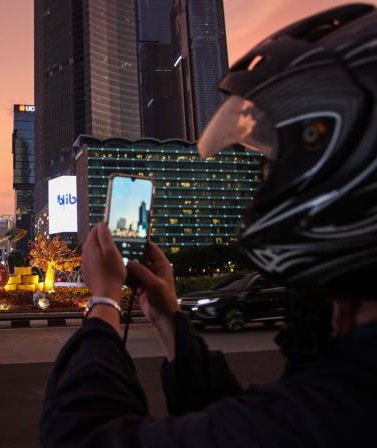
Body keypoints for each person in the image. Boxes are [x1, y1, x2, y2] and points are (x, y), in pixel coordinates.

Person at [40, 4, 377, 447]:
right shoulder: (340, 385)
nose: (267, 181)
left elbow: (81, 436)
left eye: (278, 161)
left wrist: (103, 299)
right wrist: (168, 316)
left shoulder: (343, 403)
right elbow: (238, 422)